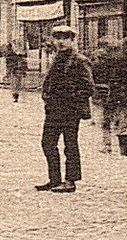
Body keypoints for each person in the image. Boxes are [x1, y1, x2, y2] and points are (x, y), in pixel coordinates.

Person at [36, 25, 93, 192]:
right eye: (58, 38)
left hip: (70, 110)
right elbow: (49, 82)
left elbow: (89, 87)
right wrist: (46, 96)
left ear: (72, 40)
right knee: (47, 143)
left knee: (70, 145)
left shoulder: (79, 60)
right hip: (53, 109)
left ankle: (70, 181)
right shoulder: (56, 58)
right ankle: (54, 179)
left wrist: (71, 99)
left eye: (64, 38)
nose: (60, 42)